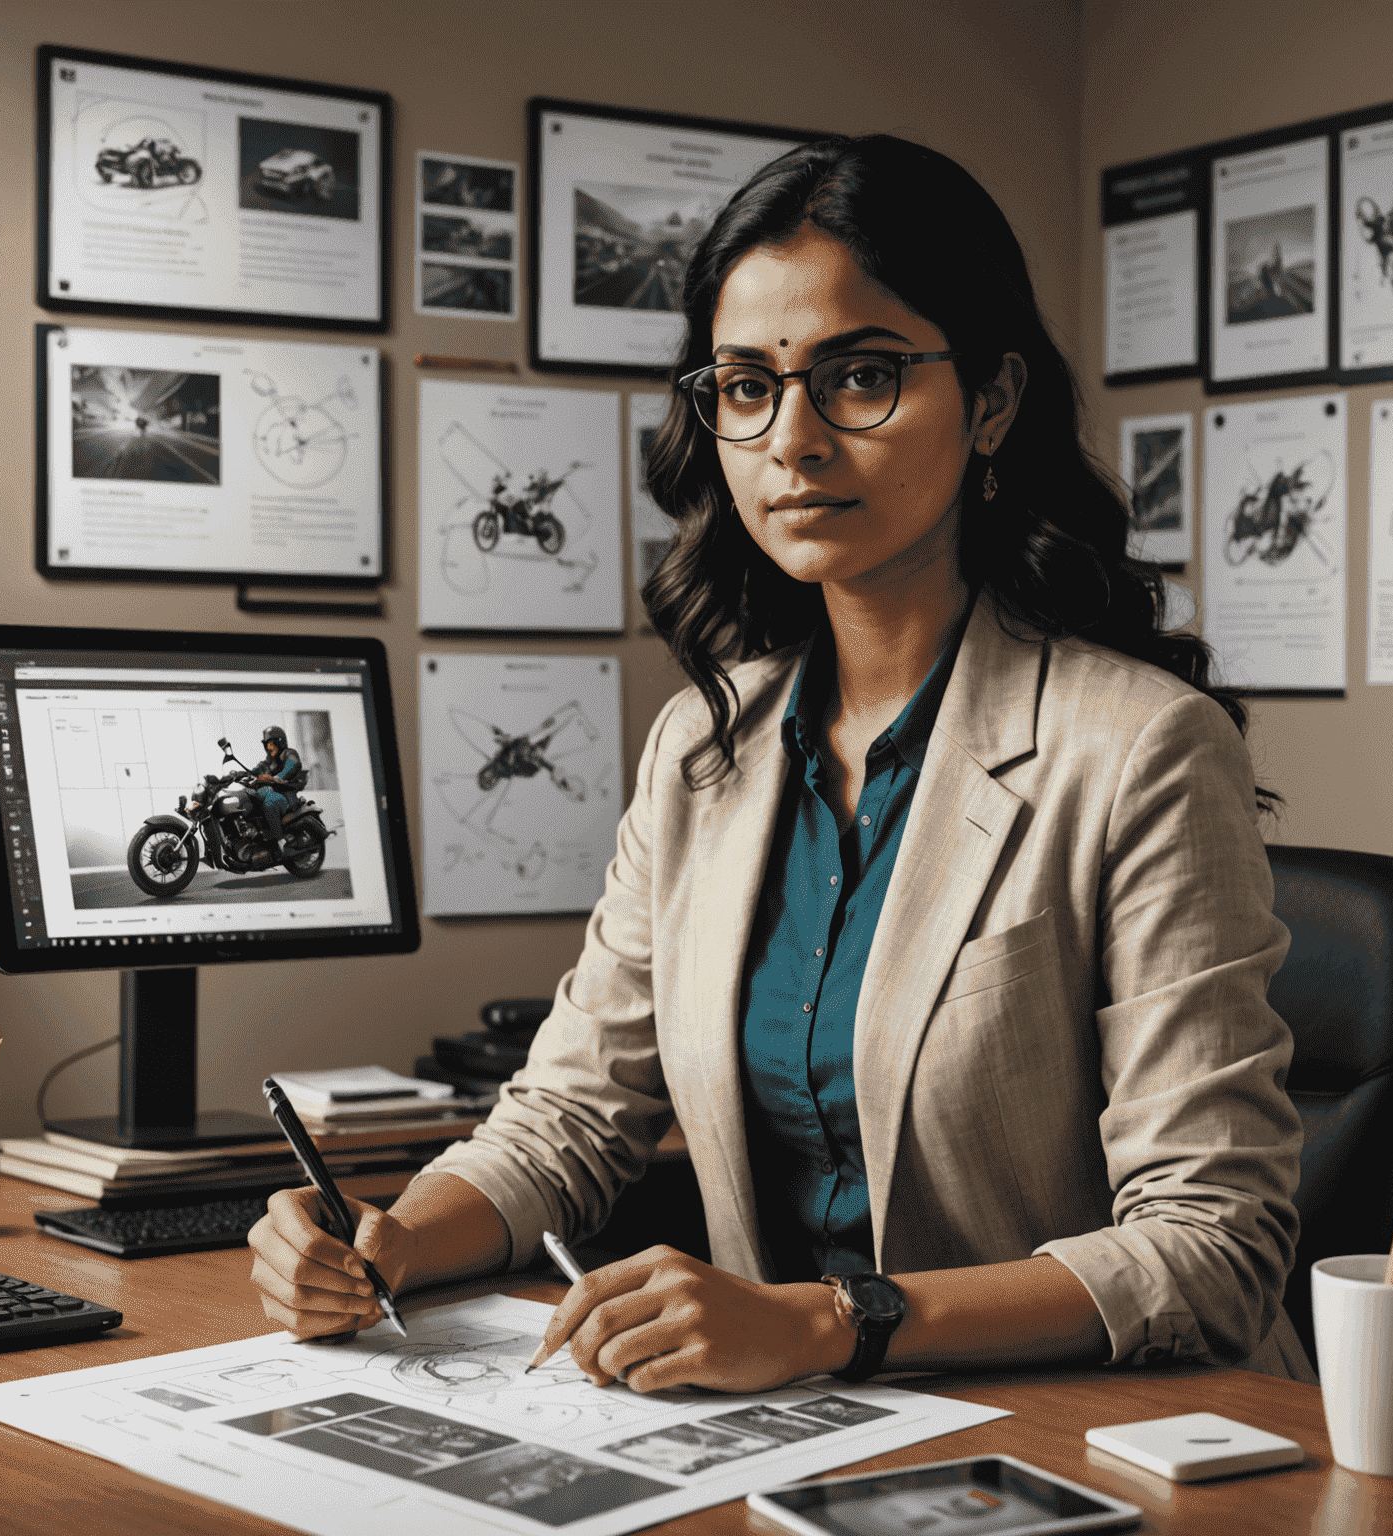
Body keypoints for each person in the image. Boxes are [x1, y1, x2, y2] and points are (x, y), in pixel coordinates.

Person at [248, 134, 1310, 1390]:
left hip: (1080, 1444)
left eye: (861, 376)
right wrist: (389, 1242)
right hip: (791, 1434)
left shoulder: (1138, 748)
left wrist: (826, 1320)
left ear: (996, 401)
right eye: (748, 385)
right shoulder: (706, 742)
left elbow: (1211, 1247)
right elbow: (573, 1114)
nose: (792, 439)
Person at [254, 725, 303, 850]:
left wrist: (275, 778)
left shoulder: (289, 753)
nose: (269, 747)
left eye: (271, 743)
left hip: (288, 798)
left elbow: (292, 765)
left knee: (269, 803)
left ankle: (281, 842)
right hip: (276, 795)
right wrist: (237, 775)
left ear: (280, 742)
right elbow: (256, 769)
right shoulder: (269, 761)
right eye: (267, 744)